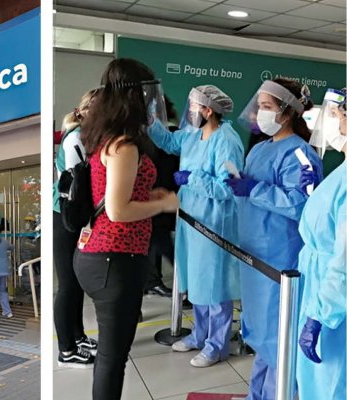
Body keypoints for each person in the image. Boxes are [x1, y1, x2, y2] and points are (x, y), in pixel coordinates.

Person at [74, 58, 178, 400]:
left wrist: (148, 194)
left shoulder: (106, 139)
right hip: (114, 258)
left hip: (101, 254)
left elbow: (115, 195)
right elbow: (118, 210)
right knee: (112, 356)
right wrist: (163, 205)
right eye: (147, 94)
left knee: (112, 353)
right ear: (134, 97)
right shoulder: (124, 145)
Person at [226, 78, 323, 400]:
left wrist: (255, 190)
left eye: (266, 107)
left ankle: (281, 394)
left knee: (278, 333)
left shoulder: (300, 153)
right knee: (261, 331)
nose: (259, 113)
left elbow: (303, 205)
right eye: (259, 106)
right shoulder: (261, 150)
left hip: (280, 254)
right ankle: (260, 394)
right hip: (255, 252)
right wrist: (240, 184)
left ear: (287, 111)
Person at [148, 85, 244, 367]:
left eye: (193, 107)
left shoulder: (227, 140)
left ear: (207, 110)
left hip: (214, 223)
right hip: (190, 219)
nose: (189, 111)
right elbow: (169, 142)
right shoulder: (192, 135)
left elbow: (229, 187)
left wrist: (192, 179)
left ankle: (217, 344)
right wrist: (150, 120)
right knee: (197, 281)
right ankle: (200, 335)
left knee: (216, 285)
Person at [295, 90, 346, 400]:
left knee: (331, 384)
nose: (332, 122)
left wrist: (321, 315)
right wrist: (315, 193)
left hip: (334, 301)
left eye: (337, 115)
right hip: (321, 285)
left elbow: (344, 261)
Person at [53, 89, 99, 367]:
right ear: (83, 112)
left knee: (76, 283)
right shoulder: (75, 140)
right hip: (64, 217)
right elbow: (77, 189)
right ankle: (66, 349)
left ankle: (78, 336)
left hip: (72, 217)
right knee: (68, 285)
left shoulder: (85, 137)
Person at [144, 95, 180, 297]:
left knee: (160, 240)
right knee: (160, 241)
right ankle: (152, 281)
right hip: (160, 197)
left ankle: (152, 281)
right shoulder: (153, 136)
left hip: (165, 195)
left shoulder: (173, 135)